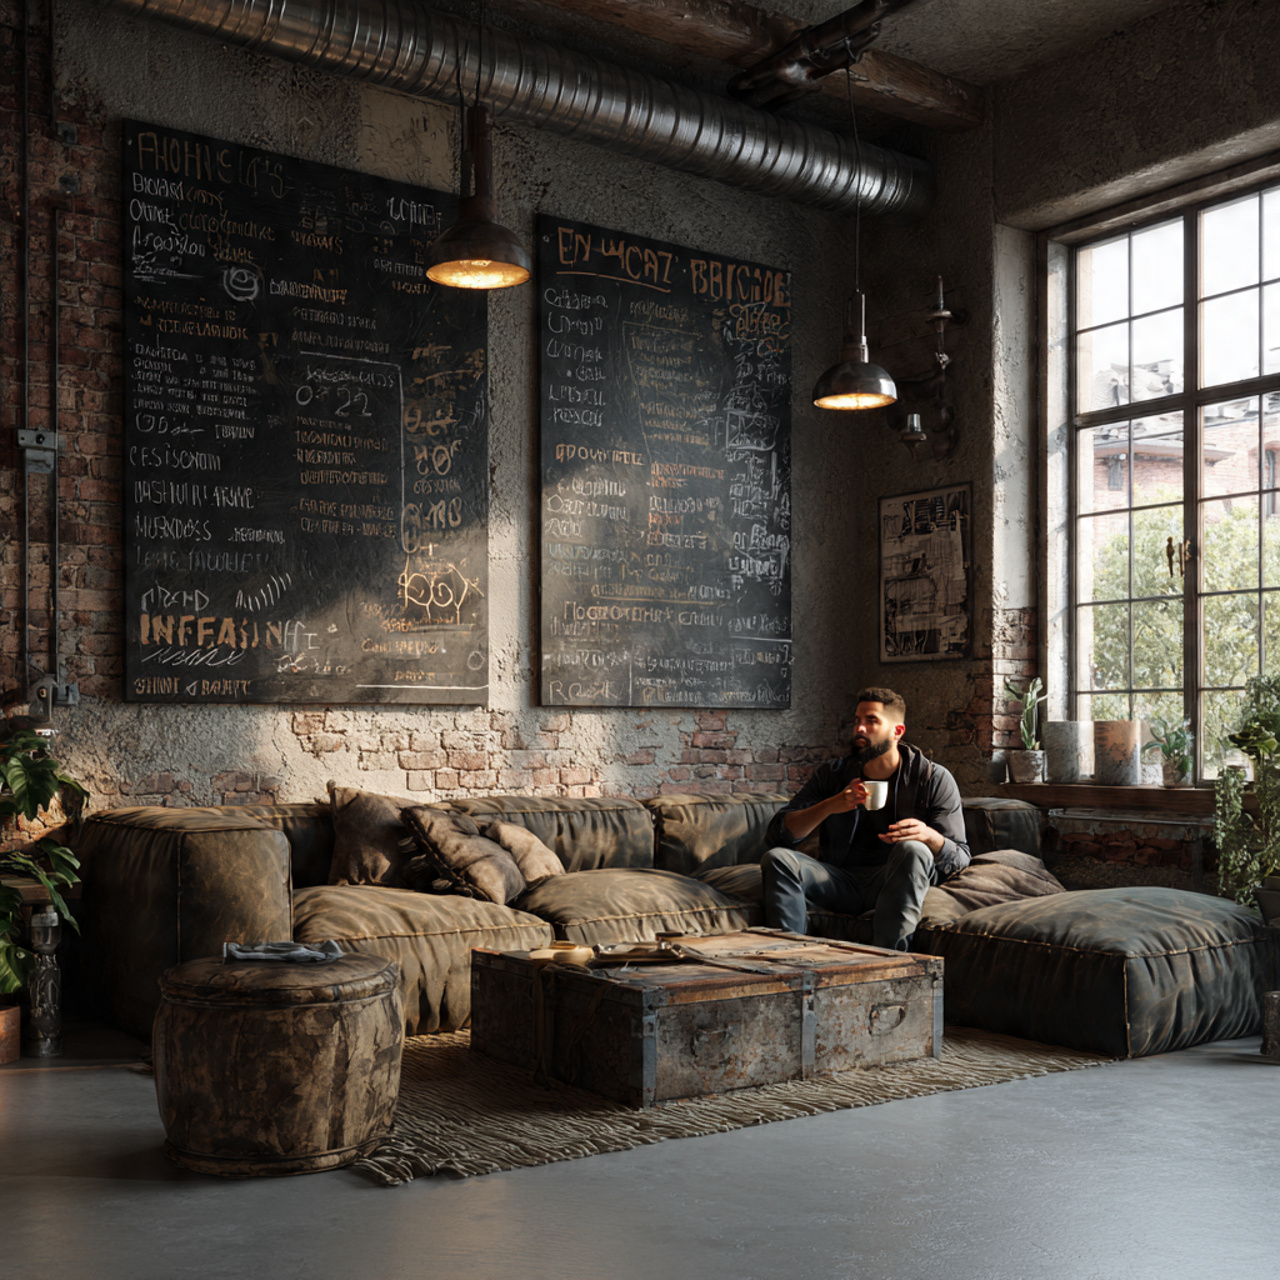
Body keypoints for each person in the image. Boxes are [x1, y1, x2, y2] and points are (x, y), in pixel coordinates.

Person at [761, 687, 969, 951]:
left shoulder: (932, 778)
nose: (859, 729)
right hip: (838, 880)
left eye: (871, 721)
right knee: (778, 859)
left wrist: (929, 836)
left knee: (913, 849)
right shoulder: (833, 774)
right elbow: (778, 835)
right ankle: (790, 964)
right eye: (857, 721)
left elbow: (961, 857)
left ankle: (888, 963)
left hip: (893, 880)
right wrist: (830, 806)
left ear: (897, 732)